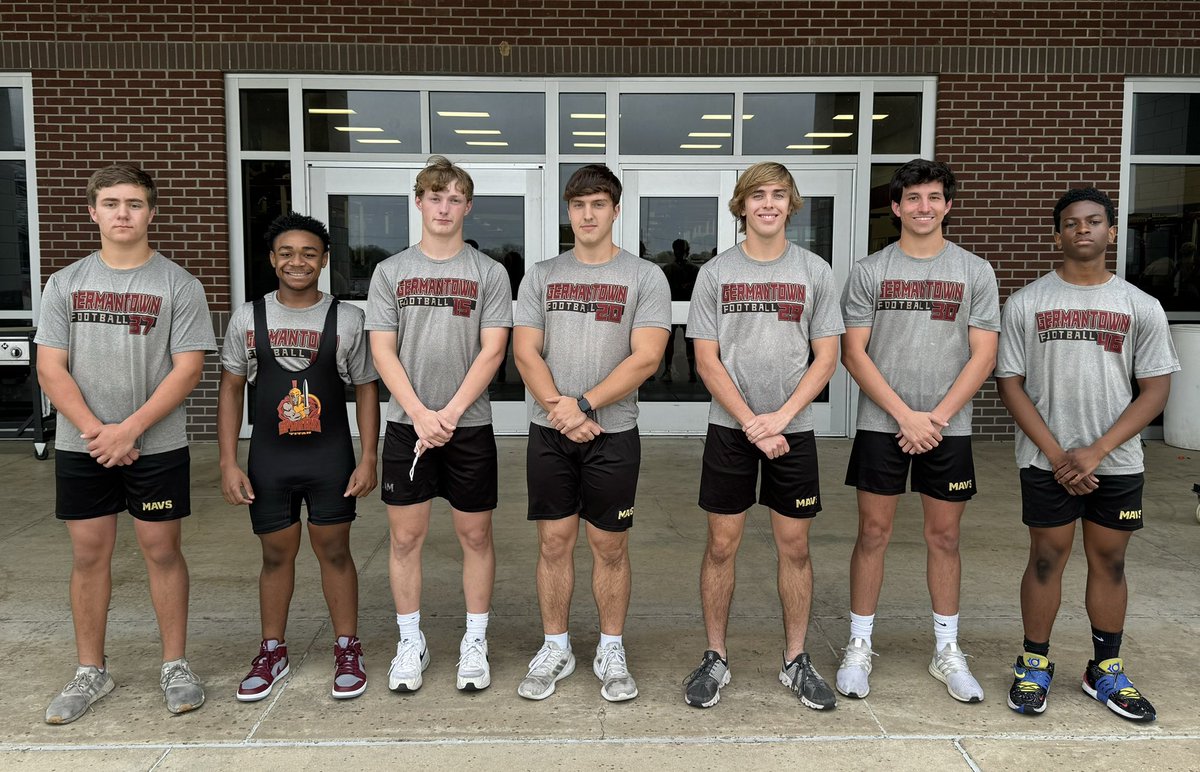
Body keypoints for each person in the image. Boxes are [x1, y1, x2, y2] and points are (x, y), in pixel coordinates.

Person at [36, 164, 216, 723]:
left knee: (161, 551)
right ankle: (91, 670)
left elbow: (187, 370)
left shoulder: (178, 285)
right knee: (89, 555)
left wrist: (130, 430)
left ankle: (175, 665)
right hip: (83, 445)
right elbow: (50, 368)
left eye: (133, 204)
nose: (122, 213)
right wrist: (99, 433)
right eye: (110, 203)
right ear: (92, 212)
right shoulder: (65, 283)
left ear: (151, 213)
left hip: (155, 446)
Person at [995, 187, 1178, 722]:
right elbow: (1010, 383)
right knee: (1047, 559)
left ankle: (1105, 669)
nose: (1083, 230)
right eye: (1072, 223)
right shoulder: (1028, 301)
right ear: (1057, 235)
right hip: (1046, 459)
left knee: (1110, 561)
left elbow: (1155, 390)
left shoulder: (1140, 306)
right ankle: (1034, 663)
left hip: (1116, 463)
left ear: (1112, 232)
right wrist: (1058, 456)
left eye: (1094, 222)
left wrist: (1096, 452)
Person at [682, 162, 844, 710]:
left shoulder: (815, 271)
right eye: (758, 195)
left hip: (792, 431)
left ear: (792, 204)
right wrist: (753, 421)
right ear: (741, 205)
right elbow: (706, 360)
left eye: (778, 194)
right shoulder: (715, 273)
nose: (768, 203)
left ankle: (795, 659)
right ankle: (715, 657)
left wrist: (779, 420)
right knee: (721, 545)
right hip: (730, 431)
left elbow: (827, 357)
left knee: (794, 547)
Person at [838, 159, 999, 703]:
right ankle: (859, 644)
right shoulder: (869, 270)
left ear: (948, 205)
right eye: (913, 198)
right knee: (873, 535)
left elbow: (983, 355)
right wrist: (905, 416)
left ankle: (947, 650)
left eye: (934, 197)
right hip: (883, 424)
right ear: (896, 207)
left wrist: (933, 418)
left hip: (947, 428)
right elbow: (853, 352)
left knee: (945, 537)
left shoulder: (975, 272)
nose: (923, 207)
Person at [512, 164, 669, 703]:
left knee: (609, 545)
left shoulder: (645, 276)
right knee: (554, 541)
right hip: (549, 430)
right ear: (567, 210)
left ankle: (610, 645)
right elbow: (525, 350)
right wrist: (561, 410)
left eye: (598, 204)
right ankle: (556, 646)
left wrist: (582, 406)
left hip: (613, 431)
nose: (587, 214)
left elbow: (646, 357)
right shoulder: (541, 274)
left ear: (615, 210)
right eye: (578, 204)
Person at [218, 212, 379, 702]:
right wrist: (228, 460)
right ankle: (272, 650)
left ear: (325, 260)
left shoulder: (348, 318)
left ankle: (347, 647)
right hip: (270, 460)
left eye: (309, 253)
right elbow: (229, 389)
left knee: (334, 551)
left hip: (328, 458)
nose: (297, 262)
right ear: (272, 259)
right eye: (286, 253)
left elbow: (367, 389)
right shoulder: (248, 317)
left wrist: (368, 455)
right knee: (275, 554)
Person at [366, 156, 512, 693]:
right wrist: (422, 415)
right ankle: (412, 641)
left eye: (454, 198)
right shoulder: (390, 271)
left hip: (467, 426)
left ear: (467, 206)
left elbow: (494, 350)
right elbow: (382, 351)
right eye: (435, 196)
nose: (444, 207)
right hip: (409, 426)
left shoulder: (489, 273)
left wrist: (448, 414)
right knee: (405, 538)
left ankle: (475, 640)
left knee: (475, 534)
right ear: (419, 202)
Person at [661, 238, 699, 382]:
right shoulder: (669, 269)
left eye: (682, 250)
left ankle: (690, 371)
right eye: (678, 250)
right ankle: (669, 370)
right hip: (671, 308)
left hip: (687, 309)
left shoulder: (693, 269)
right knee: (670, 341)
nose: (680, 253)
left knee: (688, 342)